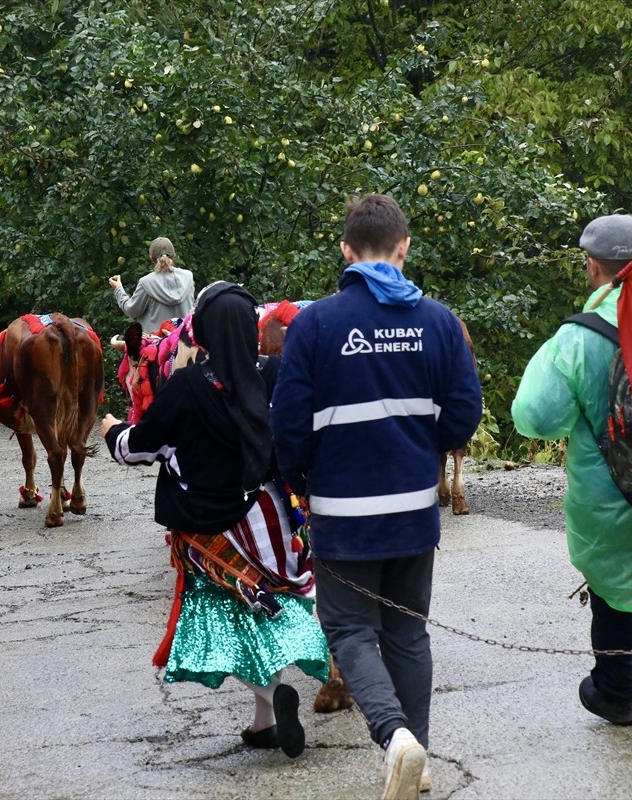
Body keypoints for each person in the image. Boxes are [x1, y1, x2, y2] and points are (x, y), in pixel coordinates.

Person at [269, 194, 482, 800]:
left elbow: (287, 424)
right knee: (409, 632)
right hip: (415, 509)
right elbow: (464, 413)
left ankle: (396, 742)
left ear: (345, 250)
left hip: (343, 511)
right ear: (404, 246)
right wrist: (422, 452)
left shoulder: (315, 324)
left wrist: (303, 485)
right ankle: (417, 754)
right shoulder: (439, 322)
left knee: (349, 630)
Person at [102, 280, 330, 759]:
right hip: (271, 517)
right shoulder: (275, 372)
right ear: (252, 329)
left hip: (212, 526)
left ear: (200, 331)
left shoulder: (186, 385)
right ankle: (265, 721)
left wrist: (113, 433)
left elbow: (143, 447)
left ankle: (271, 697)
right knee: (278, 605)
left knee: (224, 619)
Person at [512, 214, 632, 726]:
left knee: (609, 583)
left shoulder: (578, 337)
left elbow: (534, 417)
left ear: (593, 266)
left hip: (607, 497)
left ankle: (616, 692)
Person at [108, 237, 196, 334]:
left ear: (152, 258)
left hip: (156, 345)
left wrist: (118, 289)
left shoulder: (146, 282)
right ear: (174, 256)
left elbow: (132, 310)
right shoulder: (188, 276)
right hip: (185, 344)